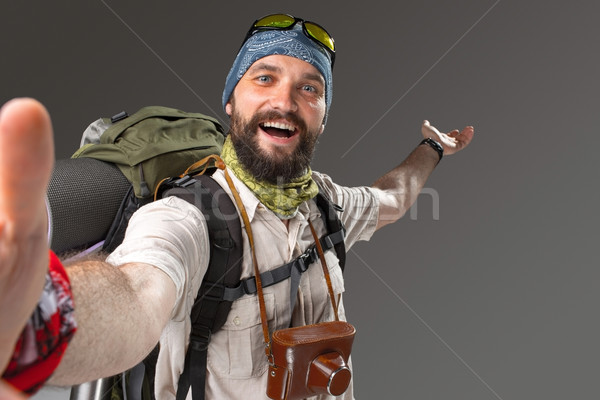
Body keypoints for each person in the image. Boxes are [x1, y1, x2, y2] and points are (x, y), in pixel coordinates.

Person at [0, 14, 474, 399]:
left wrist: (431, 149)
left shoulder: (326, 204)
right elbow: (136, 293)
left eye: (310, 88)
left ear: (323, 114)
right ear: (231, 101)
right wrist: (35, 320)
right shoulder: (189, 216)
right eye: (264, 78)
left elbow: (392, 196)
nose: (284, 101)